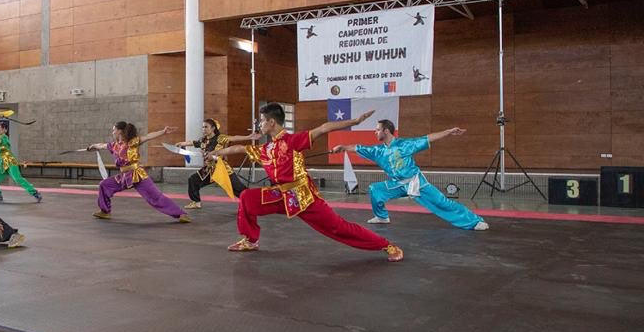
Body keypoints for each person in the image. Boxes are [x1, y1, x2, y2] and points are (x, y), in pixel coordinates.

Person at [208, 103, 404, 261]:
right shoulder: (266, 148)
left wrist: (355, 120)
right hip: (280, 194)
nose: (259, 125)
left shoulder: (292, 141)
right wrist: (216, 153)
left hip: (303, 197)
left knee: (338, 227)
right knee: (247, 198)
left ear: (272, 122)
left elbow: (323, 128)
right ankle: (250, 240)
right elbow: (240, 149)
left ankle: (386, 244)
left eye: (261, 121)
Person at [331, 120, 488, 231]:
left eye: (377, 129)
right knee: (375, 189)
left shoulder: (405, 145)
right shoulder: (378, 151)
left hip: (415, 181)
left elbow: (427, 138)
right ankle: (382, 217)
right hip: (397, 184)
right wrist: (342, 147)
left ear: (386, 131)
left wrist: (448, 132)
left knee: (442, 202)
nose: (375, 132)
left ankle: (474, 222)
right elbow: (358, 147)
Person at [89, 122, 189, 222]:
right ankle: (105, 211)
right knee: (104, 185)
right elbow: (101, 145)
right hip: (124, 177)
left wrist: (163, 131)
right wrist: (93, 146)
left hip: (137, 175)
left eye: (113, 130)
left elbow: (148, 136)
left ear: (119, 131)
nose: (112, 132)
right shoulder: (114, 145)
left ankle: (181, 214)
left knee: (155, 197)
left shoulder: (133, 141)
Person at [175, 119, 251, 209]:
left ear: (213, 128)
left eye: (206, 127)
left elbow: (233, 137)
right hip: (209, 169)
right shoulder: (203, 140)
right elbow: (192, 142)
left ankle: (252, 201)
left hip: (222, 168)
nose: (203, 129)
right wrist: (181, 143)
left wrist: (248, 137)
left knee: (237, 188)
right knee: (193, 180)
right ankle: (196, 202)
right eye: (203, 127)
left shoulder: (220, 138)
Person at [0, 117, 41, 203]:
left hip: (10, 162)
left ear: (5, 130)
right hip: (3, 163)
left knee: (17, 179)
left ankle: (35, 193)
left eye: (0, 127)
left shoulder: (3, 137)